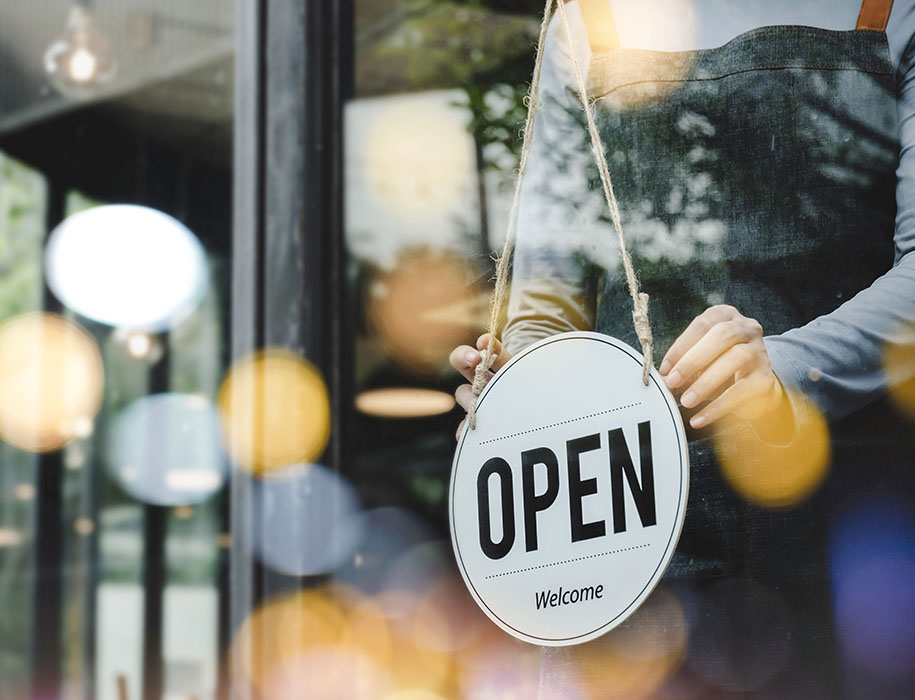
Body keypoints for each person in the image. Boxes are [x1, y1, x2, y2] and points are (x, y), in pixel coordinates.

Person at [450, 0, 915, 696]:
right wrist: (519, 389)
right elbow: (546, 307)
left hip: (854, 532)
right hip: (621, 535)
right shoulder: (585, 19)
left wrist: (792, 368)